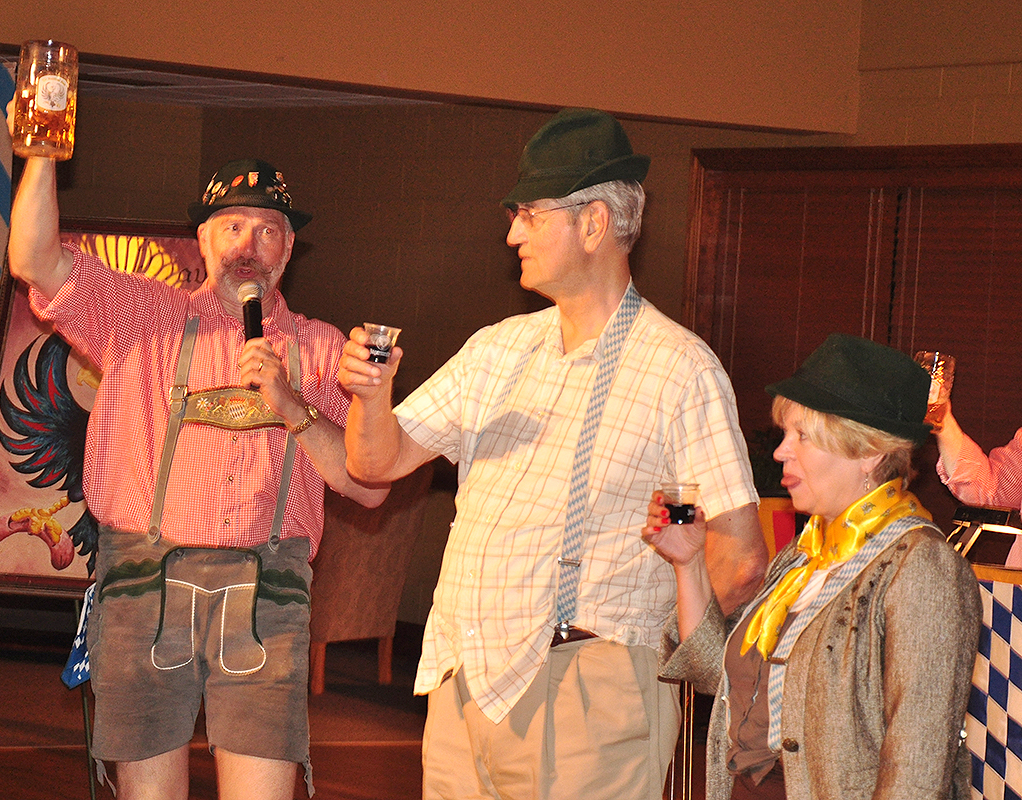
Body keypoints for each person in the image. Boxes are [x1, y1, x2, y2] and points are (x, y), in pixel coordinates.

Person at [337, 107, 767, 800]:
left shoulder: (680, 369)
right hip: (464, 679)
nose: (511, 234)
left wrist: (659, 640)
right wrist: (371, 394)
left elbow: (740, 556)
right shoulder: (495, 349)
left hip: (590, 690)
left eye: (530, 215)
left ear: (593, 223)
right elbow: (374, 464)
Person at [6, 152, 388, 800]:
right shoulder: (137, 316)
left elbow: (369, 485)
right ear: (203, 237)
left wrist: (294, 406)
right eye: (232, 225)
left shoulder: (323, 349)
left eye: (268, 229)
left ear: (289, 246)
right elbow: (33, 261)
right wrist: (42, 153)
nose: (249, 244)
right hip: (143, 582)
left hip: (268, 591)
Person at [645, 333, 981, 800]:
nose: (782, 451)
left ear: (869, 453)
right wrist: (687, 563)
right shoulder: (802, 557)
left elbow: (916, 769)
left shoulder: (921, 567)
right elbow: (714, 678)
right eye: (785, 433)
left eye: (802, 435)